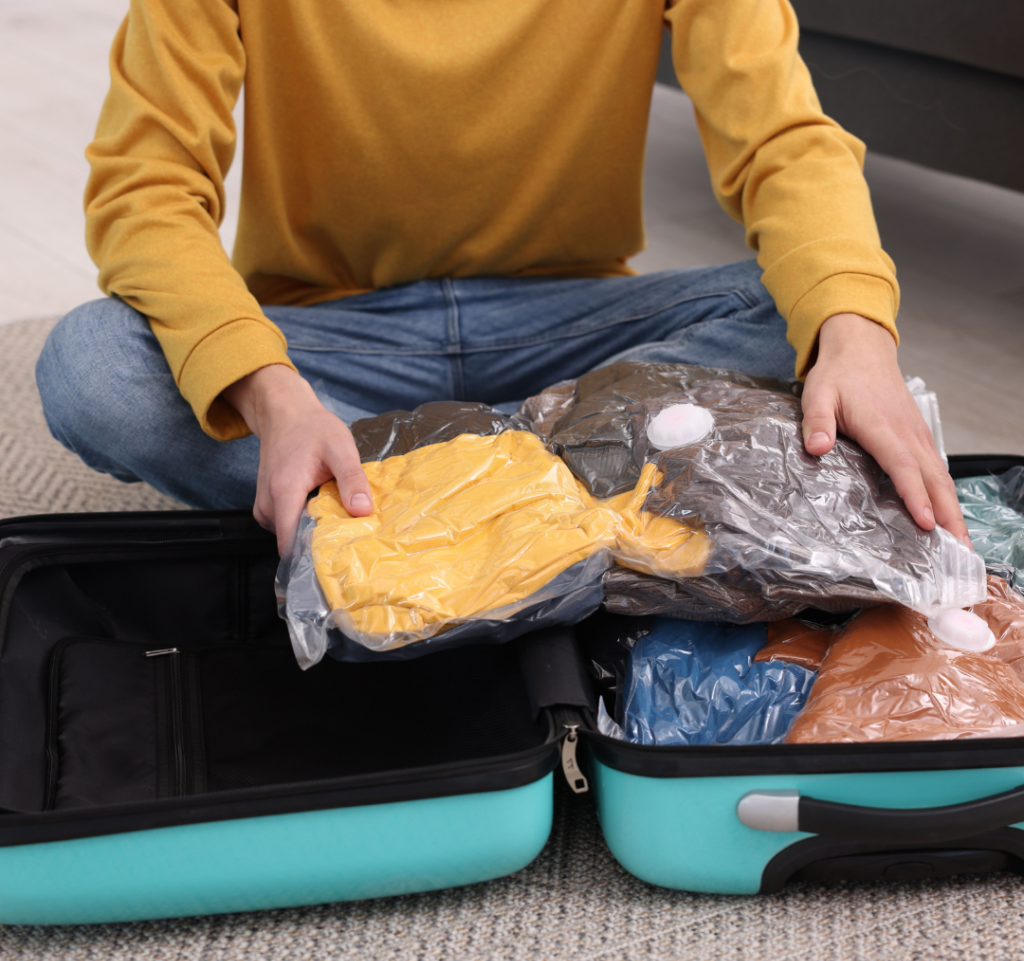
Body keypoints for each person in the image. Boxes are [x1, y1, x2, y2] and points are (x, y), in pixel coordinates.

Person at [36, 0, 969, 554]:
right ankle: (556, 494)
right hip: (331, 344)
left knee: (801, 312)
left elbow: (784, 143)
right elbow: (145, 186)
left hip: (566, 337)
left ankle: (405, 503)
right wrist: (275, 399)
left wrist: (854, 333)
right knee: (94, 367)